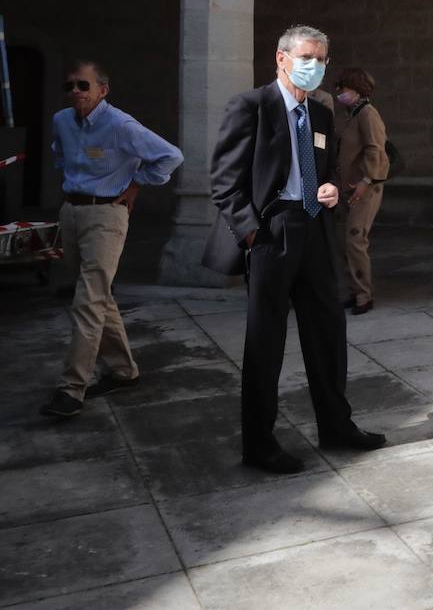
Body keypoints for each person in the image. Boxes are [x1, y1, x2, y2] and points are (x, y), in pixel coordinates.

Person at [203, 25, 385, 472]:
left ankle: (336, 426)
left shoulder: (322, 114)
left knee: (327, 331)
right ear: (281, 59)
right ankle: (260, 444)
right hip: (271, 232)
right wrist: (251, 234)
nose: (314, 66)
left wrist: (330, 190)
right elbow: (225, 181)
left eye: (321, 59)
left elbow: (322, 173)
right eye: (306, 57)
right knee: (265, 341)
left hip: (315, 229)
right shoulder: (252, 106)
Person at [40, 62, 183, 418]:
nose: (75, 91)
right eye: (69, 85)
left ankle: (72, 388)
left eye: (83, 85)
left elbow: (171, 156)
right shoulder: (61, 121)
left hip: (107, 215)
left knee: (87, 302)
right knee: (97, 298)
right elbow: (59, 154)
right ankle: (123, 371)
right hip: (72, 212)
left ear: (102, 89)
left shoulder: (120, 125)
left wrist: (136, 184)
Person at [333, 68, 389, 316]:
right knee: (346, 241)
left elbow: (375, 149)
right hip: (351, 187)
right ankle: (354, 291)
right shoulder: (353, 113)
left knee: (355, 240)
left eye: (343, 89)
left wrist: (366, 179)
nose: (340, 94)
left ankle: (364, 295)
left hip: (365, 188)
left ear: (356, 89)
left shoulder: (367, 113)